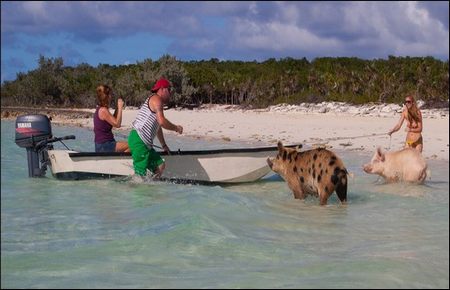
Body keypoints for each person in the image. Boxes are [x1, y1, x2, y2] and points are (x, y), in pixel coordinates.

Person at [128, 78, 183, 178]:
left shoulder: (156, 101)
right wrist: (176, 128)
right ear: (162, 89)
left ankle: (151, 189)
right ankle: (135, 189)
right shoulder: (157, 99)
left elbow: (158, 125)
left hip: (144, 143)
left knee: (160, 165)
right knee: (139, 176)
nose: (170, 93)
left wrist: (164, 145)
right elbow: (162, 122)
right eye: (169, 90)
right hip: (139, 140)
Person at [94, 85, 129, 152]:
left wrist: (117, 108)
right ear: (106, 96)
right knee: (133, 145)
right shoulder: (103, 110)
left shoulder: (100, 109)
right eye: (110, 95)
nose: (111, 97)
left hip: (102, 145)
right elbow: (117, 124)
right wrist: (120, 108)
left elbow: (113, 120)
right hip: (105, 145)